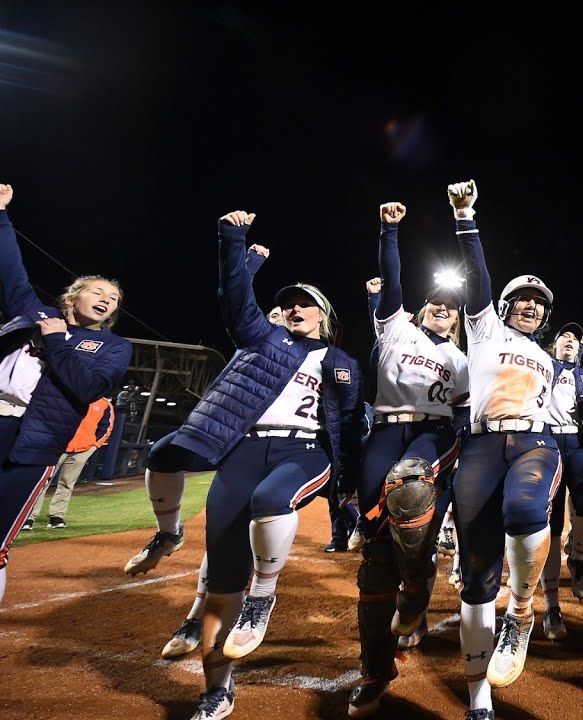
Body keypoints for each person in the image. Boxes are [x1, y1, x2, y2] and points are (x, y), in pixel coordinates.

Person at [160, 209, 363, 720]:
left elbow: (347, 426)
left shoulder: (341, 363)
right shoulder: (263, 339)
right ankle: (217, 689)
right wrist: (234, 241)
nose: (295, 309)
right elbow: (235, 299)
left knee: (271, 500)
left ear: (325, 318)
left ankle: (264, 597)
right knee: (223, 575)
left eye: (306, 305)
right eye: (288, 303)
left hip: (304, 450)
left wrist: (350, 491)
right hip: (244, 450)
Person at [346, 201, 470, 717]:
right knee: (375, 565)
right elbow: (390, 280)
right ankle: (376, 671)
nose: (442, 306)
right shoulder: (395, 329)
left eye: (450, 304)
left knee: (411, 486)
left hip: (433, 435)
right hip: (384, 431)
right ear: (421, 308)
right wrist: (389, 231)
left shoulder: (461, 361)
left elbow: (465, 415)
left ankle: (417, 585)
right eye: (435, 301)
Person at [447, 180, 561, 720]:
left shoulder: (550, 359)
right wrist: (467, 216)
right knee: (474, 578)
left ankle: (520, 614)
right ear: (507, 305)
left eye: (540, 304)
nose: (533, 308)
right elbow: (478, 275)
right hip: (482, 444)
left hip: (534, 441)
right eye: (525, 300)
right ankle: (479, 697)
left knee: (524, 509)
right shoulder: (485, 329)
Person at [0, 182, 131, 605]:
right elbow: (11, 272)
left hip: (33, 440)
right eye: (98, 292)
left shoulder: (113, 347)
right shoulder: (35, 313)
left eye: (113, 299)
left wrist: (57, 342)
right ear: (73, 296)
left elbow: (90, 388)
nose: (107, 300)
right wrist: (2, 215)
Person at [122, 243, 271, 576]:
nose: (273, 319)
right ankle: (169, 533)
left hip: (260, 438)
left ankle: (223, 601)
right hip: (221, 426)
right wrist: (250, 263)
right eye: (269, 316)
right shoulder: (251, 340)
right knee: (162, 455)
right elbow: (236, 300)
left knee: (231, 521)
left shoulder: (299, 354)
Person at [539, 322, 583, 640]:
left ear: (580, 348)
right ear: (553, 345)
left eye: (573, 338)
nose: (568, 340)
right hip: (548, 445)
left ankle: (577, 556)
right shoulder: (542, 366)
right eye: (562, 336)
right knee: (551, 525)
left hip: (578, 445)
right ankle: (552, 608)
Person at [30, 396, 113, 529]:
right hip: (57, 446)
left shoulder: (104, 403)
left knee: (67, 483)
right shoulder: (68, 395)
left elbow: (106, 427)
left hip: (83, 449)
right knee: (42, 481)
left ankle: (57, 516)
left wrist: (94, 445)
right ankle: (29, 517)